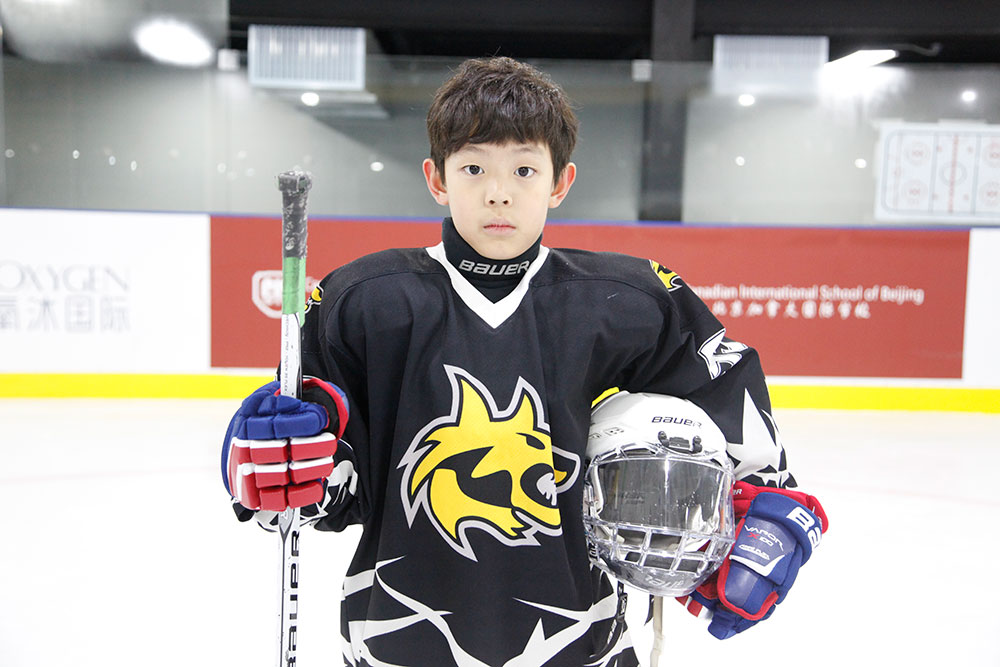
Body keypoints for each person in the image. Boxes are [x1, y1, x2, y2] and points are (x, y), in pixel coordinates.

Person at [222, 56, 827, 666]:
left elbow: (723, 389)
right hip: (399, 640)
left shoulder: (630, 302)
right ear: (437, 179)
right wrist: (276, 463)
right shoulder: (365, 301)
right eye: (474, 167)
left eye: (524, 169)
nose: (498, 191)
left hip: (582, 640)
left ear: (559, 183)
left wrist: (763, 507)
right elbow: (315, 464)